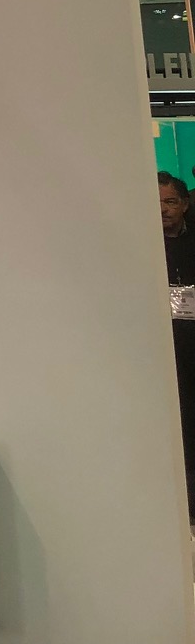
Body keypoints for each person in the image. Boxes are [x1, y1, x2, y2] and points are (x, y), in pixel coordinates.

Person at [163, 172, 195, 523]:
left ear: (185, 204)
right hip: (160, 349)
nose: (163, 209)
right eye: (156, 202)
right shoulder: (143, 248)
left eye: (170, 201)